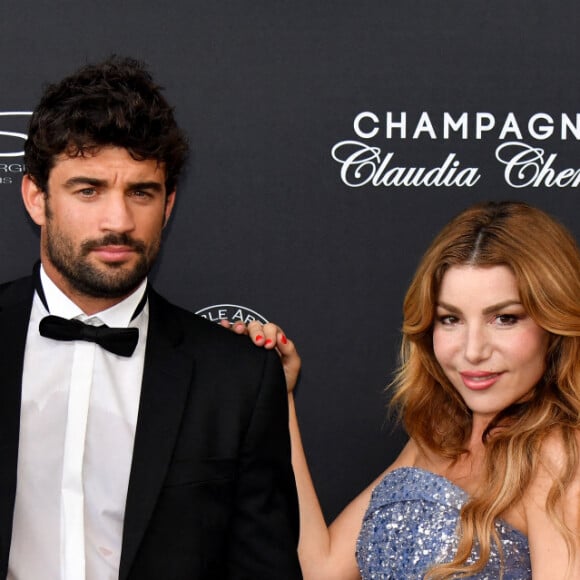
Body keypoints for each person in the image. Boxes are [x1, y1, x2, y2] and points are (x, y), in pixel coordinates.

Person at [0, 56, 301, 580]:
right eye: (88, 189)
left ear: (168, 205)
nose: (118, 221)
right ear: (36, 197)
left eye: (141, 192)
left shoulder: (235, 379)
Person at [233, 201, 580, 579]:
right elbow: (322, 567)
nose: (473, 350)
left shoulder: (561, 458)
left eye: (505, 318)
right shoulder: (438, 438)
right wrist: (278, 395)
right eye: (451, 319)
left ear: (554, 324)